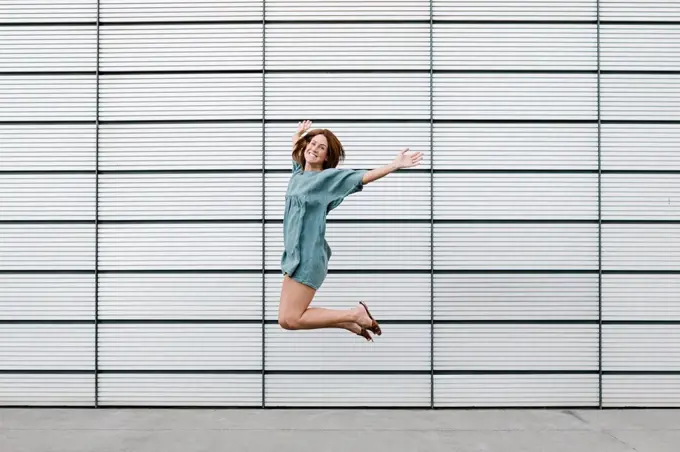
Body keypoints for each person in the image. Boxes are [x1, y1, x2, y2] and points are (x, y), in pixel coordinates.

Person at [278, 120, 424, 341]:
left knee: (292, 318)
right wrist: (298, 135)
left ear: (327, 157)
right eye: (313, 143)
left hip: (308, 257)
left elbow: (361, 177)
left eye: (321, 148)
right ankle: (347, 321)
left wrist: (394, 164)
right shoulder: (298, 174)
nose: (314, 149)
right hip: (293, 257)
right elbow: (296, 154)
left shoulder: (326, 179)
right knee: (286, 320)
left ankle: (353, 314)